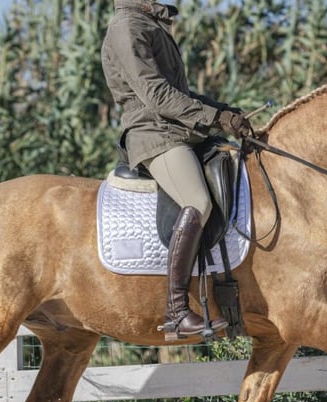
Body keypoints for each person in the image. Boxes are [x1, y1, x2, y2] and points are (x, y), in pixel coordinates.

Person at [101, 0, 252, 341]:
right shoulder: (128, 26)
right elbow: (156, 95)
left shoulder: (150, 24)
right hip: (154, 135)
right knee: (197, 201)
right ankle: (176, 311)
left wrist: (222, 110)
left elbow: (179, 93)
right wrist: (214, 118)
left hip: (177, 132)